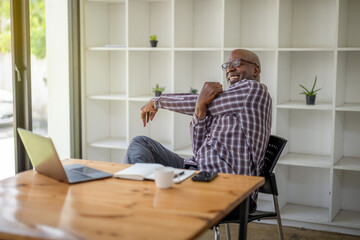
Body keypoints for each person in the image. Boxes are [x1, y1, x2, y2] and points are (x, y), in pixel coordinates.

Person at [124, 49, 272, 212]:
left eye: (237, 63)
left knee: (143, 158)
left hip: (224, 184)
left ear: (255, 69)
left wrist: (157, 101)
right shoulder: (226, 104)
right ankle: (142, 204)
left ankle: (140, 208)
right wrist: (200, 108)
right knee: (140, 143)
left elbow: (201, 101)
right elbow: (198, 148)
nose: (229, 69)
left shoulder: (254, 90)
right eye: (227, 65)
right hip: (197, 171)